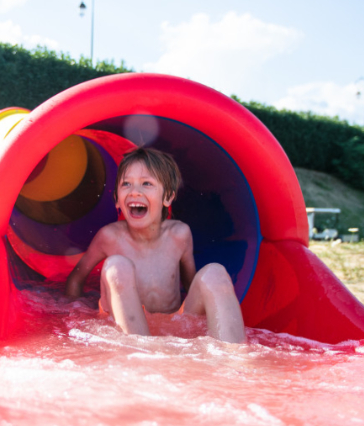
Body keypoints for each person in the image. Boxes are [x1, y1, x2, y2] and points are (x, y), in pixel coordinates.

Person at [65, 147, 246, 343]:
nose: (135, 191)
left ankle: (233, 359)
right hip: (123, 327)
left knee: (214, 274)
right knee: (117, 266)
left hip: (174, 325)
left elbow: (191, 284)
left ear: (167, 197)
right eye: (126, 184)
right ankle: (140, 352)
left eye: (146, 183)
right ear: (117, 199)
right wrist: (76, 315)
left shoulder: (179, 234)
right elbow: (76, 279)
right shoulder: (109, 237)